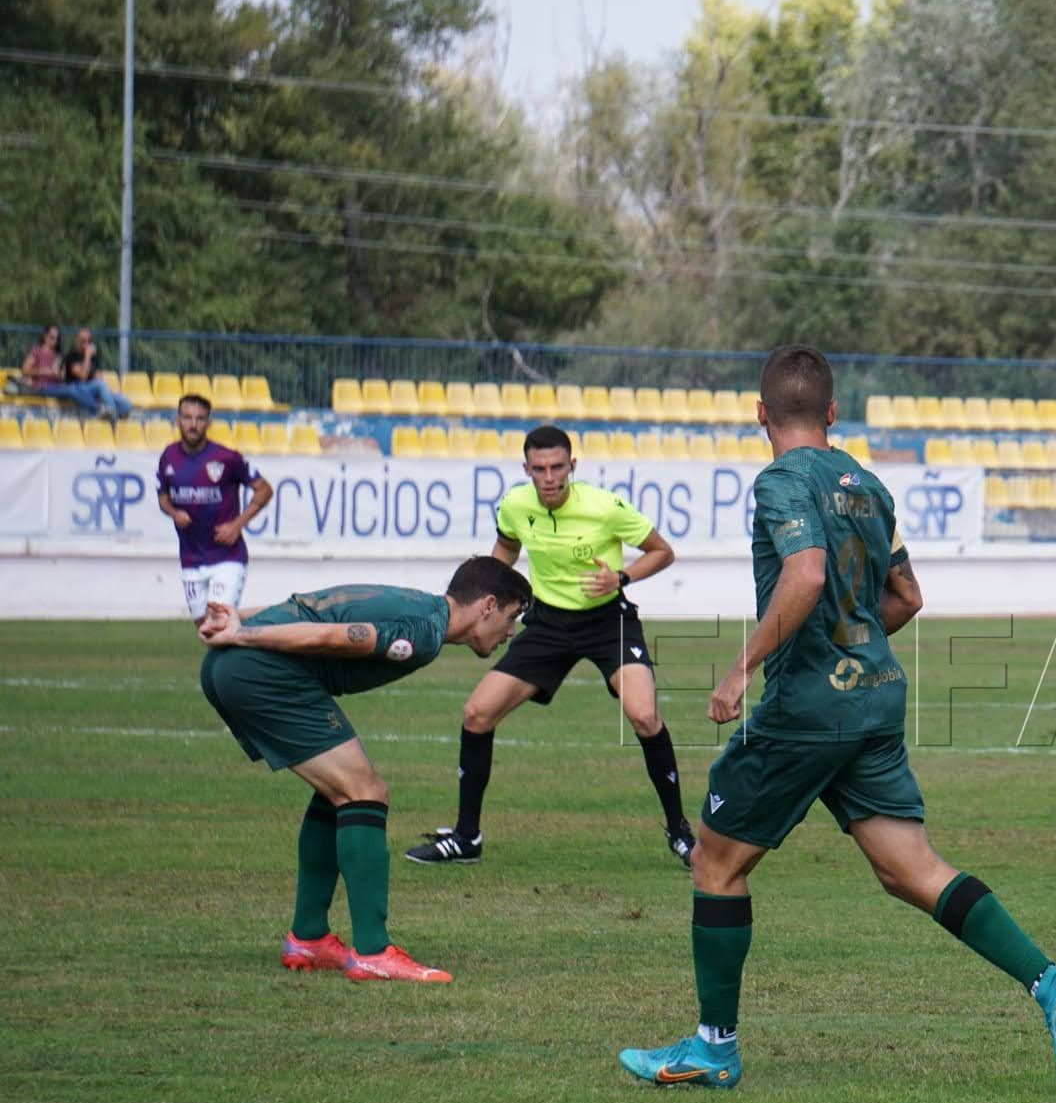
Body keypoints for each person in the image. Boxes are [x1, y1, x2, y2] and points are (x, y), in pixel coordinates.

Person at [617, 345, 1056, 1091]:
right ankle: (1051, 982)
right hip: (874, 692)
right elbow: (906, 597)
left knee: (715, 859)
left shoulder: (780, 480)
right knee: (910, 869)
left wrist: (742, 667)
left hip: (809, 703)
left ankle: (714, 1047)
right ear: (834, 413)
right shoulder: (867, 486)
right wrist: (852, 638)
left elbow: (806, 571)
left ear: (759, 414)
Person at [197, 557, 533, 983]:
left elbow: (315, 604)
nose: (510, 632)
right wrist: (242, 633)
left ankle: (309, 937)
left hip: (236, 668)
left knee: (337, 792)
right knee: (364, 792)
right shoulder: (423, 632)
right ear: (487, 606)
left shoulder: (417, 606)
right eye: (511, 617)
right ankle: (373, 951)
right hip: (256, 671)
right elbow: (330, 633)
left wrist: (240, 618)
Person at [404, 424, 696, 869]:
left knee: (643, 714)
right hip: (547, 623)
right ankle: (467, 837)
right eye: (539, 468)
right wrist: (477, 604)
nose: (549, 476)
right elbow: (502, 552)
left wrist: (619, 578)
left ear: (572, 467)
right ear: (526, 469)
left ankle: (680, 833)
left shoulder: (605, 507)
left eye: (558, 467)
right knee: (476, 714)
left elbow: (662, 551)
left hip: (607, 620)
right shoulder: (515, 506)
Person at [157, 393, 273, 626]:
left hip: (227, 557)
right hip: (190, 558)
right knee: (204, 628)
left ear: (208, 423)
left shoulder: (227, 458)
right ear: (177, 420)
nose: (193, 424)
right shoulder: (168, 457)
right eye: (187, 418)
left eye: (200, 419)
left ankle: (250, 649)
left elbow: (264, 489)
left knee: (218, 622)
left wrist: (237, 525)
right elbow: (163, 498)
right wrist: (173, 512)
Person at [61, 327, 133, 421]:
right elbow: (82, 376)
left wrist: (107, 391)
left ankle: (109, 417)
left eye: (88, 340)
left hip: (94, 389)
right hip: (78, 388)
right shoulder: (71, 356)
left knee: (125, 403)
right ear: (77, 340)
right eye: (83, 340)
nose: (86, 343)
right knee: (100, 386)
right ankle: (111, 415)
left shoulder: (93, 356)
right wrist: (87, 356)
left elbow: (98, 376)